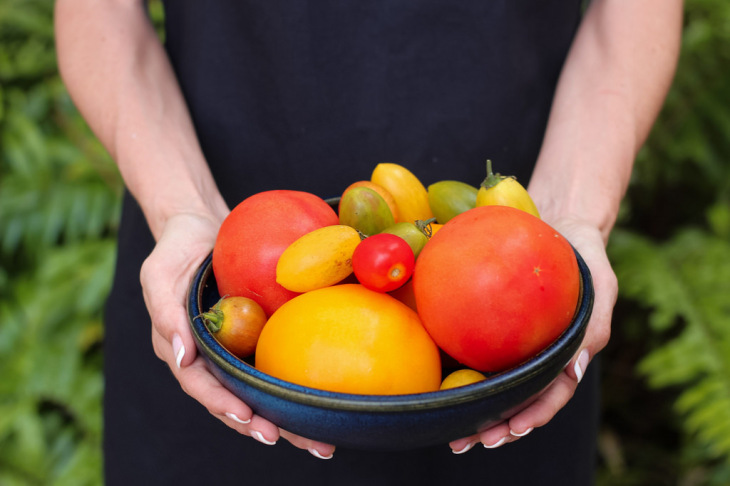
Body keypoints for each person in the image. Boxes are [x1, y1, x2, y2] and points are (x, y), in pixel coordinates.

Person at [55, 0, 682, 484]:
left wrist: (575, 215)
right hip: (217, 287)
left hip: (513, 350)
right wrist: (179, 211)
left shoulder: (518, 285)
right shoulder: (226, 293)